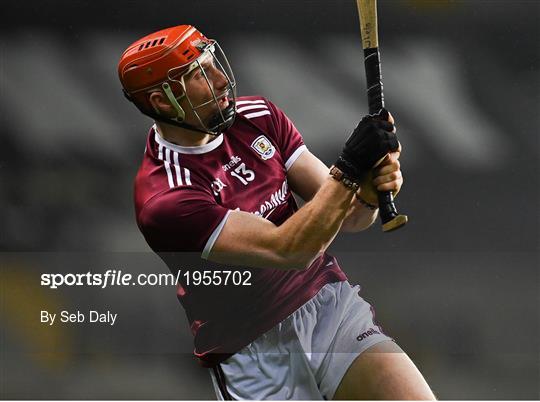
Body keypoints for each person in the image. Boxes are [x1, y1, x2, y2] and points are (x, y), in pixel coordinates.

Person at [118, 25, 435, 400]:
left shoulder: (259, 117)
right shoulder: (166, 198)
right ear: (163, 101)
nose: (221, 80)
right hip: (253, 352)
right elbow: (290, 250)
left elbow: (348, 216)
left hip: (328, 307)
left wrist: (368, 190)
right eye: (199, 74)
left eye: (213, 63)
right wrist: (350, 168)